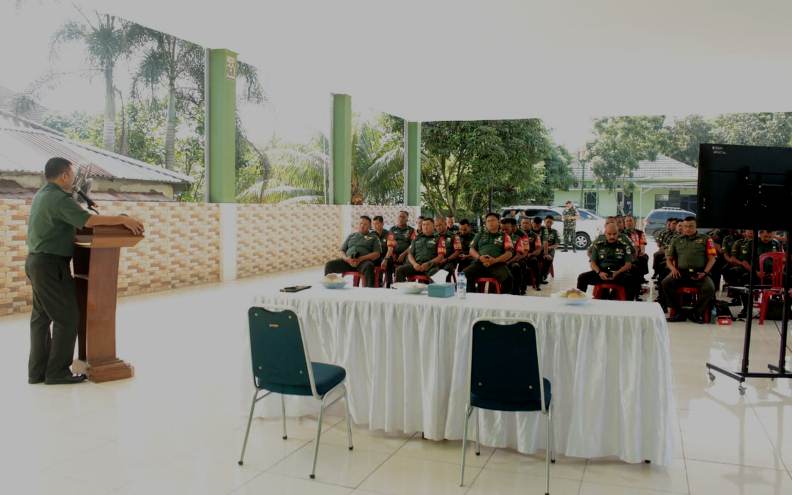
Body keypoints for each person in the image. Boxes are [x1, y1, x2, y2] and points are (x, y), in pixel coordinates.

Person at [26, 157, 144, 385]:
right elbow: (88, 221)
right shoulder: (59, 198)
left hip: (37, 262)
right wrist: (123, 220)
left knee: (41, 319)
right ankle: (57, 372)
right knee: (67, 318)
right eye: (72, 174)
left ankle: (37, 372)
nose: (73, 179)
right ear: (64, 175)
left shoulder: (43, 195)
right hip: (51, 265)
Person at [661, 217, 717, 323]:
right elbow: (669, 259)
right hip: (680, 273)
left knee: (710, 288)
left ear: (696, 226)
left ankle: (695, 313)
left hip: (700, 273)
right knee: (665, 283)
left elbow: (712, 259)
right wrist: (673, 269)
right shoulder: (676, 240)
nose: (688, 229)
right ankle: (679, 312)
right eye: (685, 226)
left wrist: (705, 272)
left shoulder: (706, 239)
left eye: (691, 226)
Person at [577, 223, 636, 299]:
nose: (612, 236)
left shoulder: (624, 246)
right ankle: (579, 301)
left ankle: (629, 304)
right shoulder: (598, 245)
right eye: (609, 234)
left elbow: (628, 265)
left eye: (614, 234)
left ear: (618, 233)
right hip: (601, 273)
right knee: (582, 278)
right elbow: (593, 263)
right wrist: (599, 272)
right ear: (605, 233)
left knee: (632, 280)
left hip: (619, 273)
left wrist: (617, 272)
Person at [463, 212, 514, 293]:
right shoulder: (480, 234)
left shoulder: (505, 236)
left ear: (498, 222)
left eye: (493, 220)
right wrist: (479, 257)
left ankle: (504, 299)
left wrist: (495, 260)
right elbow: (471, 250)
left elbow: (509, 253)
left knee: (508, 279)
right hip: (480, 263)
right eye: (488, 221)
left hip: (497, 264)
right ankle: (472, 296)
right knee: (465, 274)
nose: (490, 223)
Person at [325, 216, 382, 287]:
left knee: (369, 266)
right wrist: (346, 259)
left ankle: (368, 291)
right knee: (329, 265)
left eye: (365, 224)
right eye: (361, 223)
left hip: (362, 262)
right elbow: (342, 250)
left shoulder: (374, 237)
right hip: (348, 262)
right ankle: (329, 288)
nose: (362, 226)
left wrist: (361, 259)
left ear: (370, 226)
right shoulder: (351, 236)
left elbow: (377, 254)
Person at [395, 217, 443, 282]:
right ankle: (402, 288)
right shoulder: (416, 238)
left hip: (431, 266)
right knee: (399, 270)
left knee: (436, 274)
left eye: (428, 224)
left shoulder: (439, 238)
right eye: (423, 225)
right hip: (417, 266)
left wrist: (428, 264)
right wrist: (414, 264)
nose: (425, 227)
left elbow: (441, 256)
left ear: (433, 226)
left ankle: (432, 288)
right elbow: (410, 254)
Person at [383, 211, 416, 286]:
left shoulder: (411, 230)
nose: (401, 219)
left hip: (406, 254)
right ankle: (389, 283)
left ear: (407, 219)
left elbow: (412, 245)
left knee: (409, 261)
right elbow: (390, 245)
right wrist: (389, 256)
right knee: (388, 260)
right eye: (399, 216)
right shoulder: (392, 229)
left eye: (403, 217)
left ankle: (403, 282)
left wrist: (403, 254)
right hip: (393, 253)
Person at [539, 215, 561, 283]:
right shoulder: (540, 229)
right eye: (547, 222)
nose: (549, 224)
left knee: (548, 258)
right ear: (544, 221)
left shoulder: (555, 232)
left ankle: (543, 276)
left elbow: (557, 244)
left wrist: (548, 248)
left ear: (553, 223)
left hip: (550, 249)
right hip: (539, 248)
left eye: (550, 222)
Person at [372, 216, 390, 287]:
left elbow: (390, 249)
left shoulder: (389, 234)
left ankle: (389, 283)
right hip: (374, 256)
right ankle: (373, 283)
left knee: (389, 261)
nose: (375, 226)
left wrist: (386, 259)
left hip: (385, 255)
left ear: (382, 224)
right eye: (374, 224)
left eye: (377, 223)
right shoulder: (371, 234)